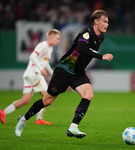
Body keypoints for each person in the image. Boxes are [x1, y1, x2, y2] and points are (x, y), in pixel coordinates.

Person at [15, 9, 113, 138]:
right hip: (65, 70)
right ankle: (23, 119)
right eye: (105, 21)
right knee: (48, 100)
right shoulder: (86, 33)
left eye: (108, 22)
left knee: (88, 94)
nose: (107, 24)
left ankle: (73, 128)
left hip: (78, 72)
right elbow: (82, 49)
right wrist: (101, 57)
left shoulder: (100, 37)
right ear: (96, 21)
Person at [0, 29, 61, 125]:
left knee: (25, 100)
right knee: (47, 97)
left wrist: (52, 74)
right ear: (51, 37)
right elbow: (32, 56)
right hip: (34, 74)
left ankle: (3, 112)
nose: (59, 41)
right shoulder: (43, 45)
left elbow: (45, 63)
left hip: (30, 74)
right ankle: (39, 119)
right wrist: (40, 69)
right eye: (57, 38)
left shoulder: (50, 48)